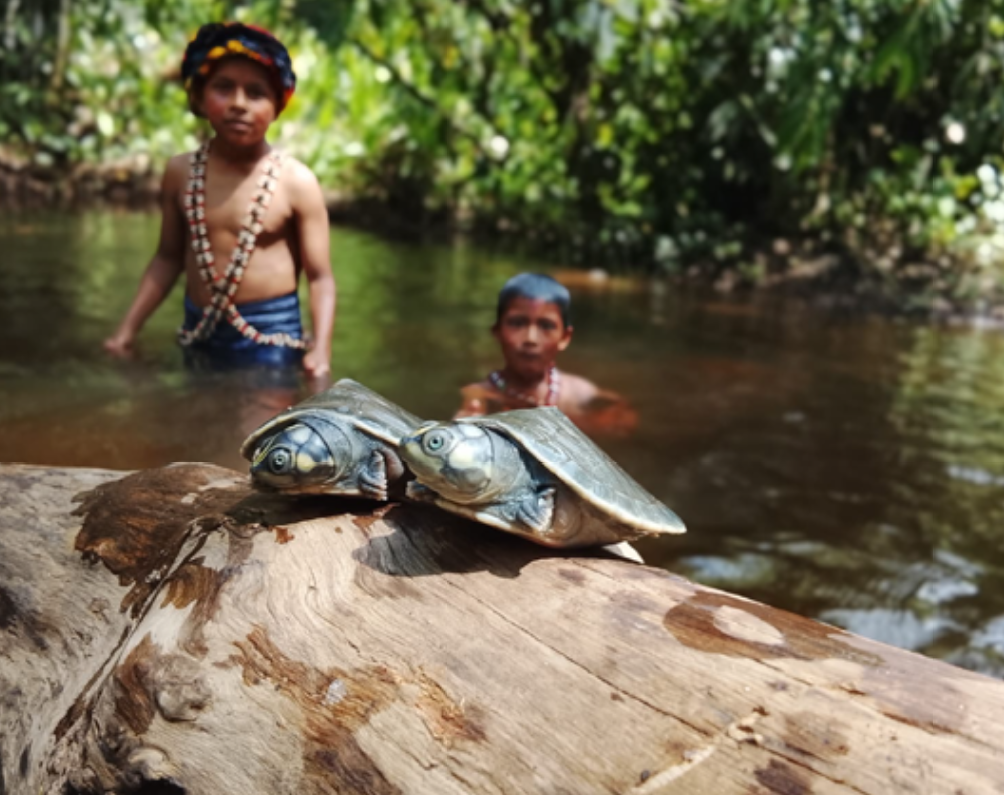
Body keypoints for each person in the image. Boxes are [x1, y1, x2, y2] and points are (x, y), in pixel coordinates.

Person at [104, 22, 335, 379]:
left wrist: (321, 350)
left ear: (277, 106)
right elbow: (167, 258)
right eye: (224, 88)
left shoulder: (296, 182)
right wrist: (127, 330)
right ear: (198, 96)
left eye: (256, 93)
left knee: (262, 427)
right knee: (195, 421)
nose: (239, 104)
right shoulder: (180, 173)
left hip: (271, 335)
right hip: (200, 329)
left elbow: (320, 278)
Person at [456, 272, 637, 436]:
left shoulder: (579, 392)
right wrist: (463, 432)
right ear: (497, 332)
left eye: (546, 326)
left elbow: (625, 416)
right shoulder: (479, 397)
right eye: (517, 323)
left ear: (565, 337)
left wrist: (594, 423)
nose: (531, 339)